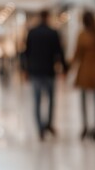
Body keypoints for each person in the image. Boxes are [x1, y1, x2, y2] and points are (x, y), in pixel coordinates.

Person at [24, 10, 68, 141]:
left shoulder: (32, 32)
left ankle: (40, 128)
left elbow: (26, 53)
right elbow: (59, 52)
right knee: (50, 100)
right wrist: (64, 68)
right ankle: (48, 124)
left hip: (36, 71)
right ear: (48, 17)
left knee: (37, 100)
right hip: (49, 71)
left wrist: (26, 70)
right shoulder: (52, 32)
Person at [70, 11, 95, 141]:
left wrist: (69, 68)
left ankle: (85, 125)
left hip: (86, 70)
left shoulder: (82, 35)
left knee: (84, 100)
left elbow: (77, 54)